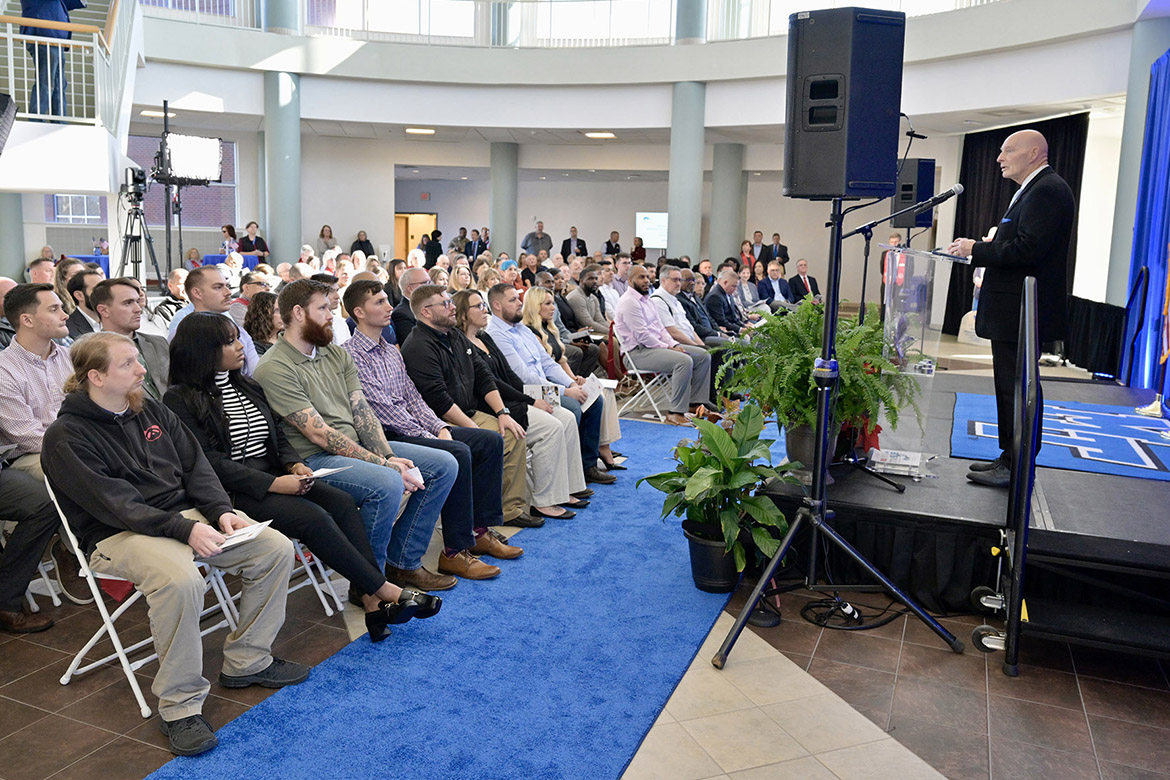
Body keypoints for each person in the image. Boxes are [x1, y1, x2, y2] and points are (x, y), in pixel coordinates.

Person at [43, 332, 309, 757]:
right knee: (182, 580)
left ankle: (248, 660)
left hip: (182, 517)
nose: (142, 369)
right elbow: (117, 505)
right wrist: (186, 530)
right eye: (128, 364)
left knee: (273, 547)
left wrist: (221, 511)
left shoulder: (148, 408)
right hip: (117, 534)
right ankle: (179, 707)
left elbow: (196, 467)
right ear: (95, 376)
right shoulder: (65, 436)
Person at [166, 314, 440, 642]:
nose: (241, 346)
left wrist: (294, 464)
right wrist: (273, 483)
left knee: (340, 503)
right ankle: (385, 591)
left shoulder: (247, 385)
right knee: (314, 518)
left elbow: (277, 437)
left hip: (274, 474)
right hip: (231, 490)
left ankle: (372, 602)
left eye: (238, 338)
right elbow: (207, 462)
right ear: (202, 349)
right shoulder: (179, 399)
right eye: (230, 341)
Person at [255, 280, 460, 590]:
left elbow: (363, 414)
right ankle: (370, 584)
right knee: (387, 482)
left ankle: (402, 562)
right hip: (315, 460)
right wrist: (385, 465)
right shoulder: (274, 366)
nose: (332, 314)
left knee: (444, 464)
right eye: (322, 308)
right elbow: (321, 436)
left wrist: (388, 456)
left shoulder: (335, 354)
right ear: (298, 313)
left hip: (356, 447)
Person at [343, 280, 527, 555]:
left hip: (413, 427)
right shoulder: (351, 353)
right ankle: (456, 549)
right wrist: (430, 434)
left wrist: (438, 426)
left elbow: (413, 398)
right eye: (379, 302)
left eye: (386, 300)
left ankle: (480, 530)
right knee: (459, 451)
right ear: (359, 312)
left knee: (488, 441)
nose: (389, 306)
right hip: (386, 436)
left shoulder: (390, 351)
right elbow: (381, 409)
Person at [947, 129, 1075, 488]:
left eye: (1008, 151)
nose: (1000, 158)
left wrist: (977, 248)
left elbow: (1027, 250)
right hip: (1012, 311)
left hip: (1022, 310)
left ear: (1034, 153)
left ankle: (1017, 463)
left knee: (1018, 386)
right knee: (1009, 385)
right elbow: (1021, 242)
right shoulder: (1035, 189)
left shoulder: (1047, 190)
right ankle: (1010, 455)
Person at [399, 284, 541, 526]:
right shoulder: (418, 346)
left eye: (450, 302)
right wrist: (473, 429)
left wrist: (503, 412)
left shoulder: (454, 335)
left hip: (468, 411)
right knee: (489, 440)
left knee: (513, 432)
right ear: (425, 312)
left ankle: (509, 509)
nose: (452, 306)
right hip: (441, 421)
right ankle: (480, 521)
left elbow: (484, 376)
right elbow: (438, 400)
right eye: (445, 304)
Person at [455, 289, 591, 520]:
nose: (484, 309)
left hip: (514, 397)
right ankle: (544, 500)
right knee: (551, 426)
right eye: (478, 306)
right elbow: (490, 383)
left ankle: (566, 488)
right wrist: (529, 400)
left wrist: (532, 397)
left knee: (566, 418)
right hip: (493, 405)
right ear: (463, 314)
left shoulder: (484, 337)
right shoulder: (463, 343)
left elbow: (508, 374)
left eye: (482, 305)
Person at [485, 284, 614, 486]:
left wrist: (571, 383)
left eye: (518, 299)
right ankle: (568, 472)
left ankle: (586, 465)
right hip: (526, 391)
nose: (520, 303)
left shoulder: (521, 329)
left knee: (593, 399)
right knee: (572, 407)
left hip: (542, 385)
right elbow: (524, 377)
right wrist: (564, 391)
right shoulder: (496, 333)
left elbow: (548, 363)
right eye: (513, 300)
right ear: (497, 305)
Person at [522, 288, 623, 470]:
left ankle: (591, 459)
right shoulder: (530, 333)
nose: (553, 308)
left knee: (599, 394)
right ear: (534, 306)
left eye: (553, 303)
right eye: (547, 303)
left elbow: (560, 361)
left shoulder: (548, 329)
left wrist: (573, 380)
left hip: (556, 382)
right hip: (540, 387)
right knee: (579, 403)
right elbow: (541, 373)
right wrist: (568, 388)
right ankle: (577, 463)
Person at [615, 266, 714, 427]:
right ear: (630, 280)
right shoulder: (629, 302)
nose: (647, 280)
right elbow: (643, 336)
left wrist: (673, 344)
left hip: (654, 348)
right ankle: (675, 413)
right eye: (641, 277)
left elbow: (661, 329)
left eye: (647, 276)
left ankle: (694, 404)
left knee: (703, 356)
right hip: (637, 353)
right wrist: (668, 348)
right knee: (683, 361)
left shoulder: (647, 300)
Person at [0, 283, 71, 479]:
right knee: (82, 468)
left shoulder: (72, 357)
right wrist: (85, 445)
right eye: (54, 309)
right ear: (27, 320)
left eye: (62, 308)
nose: (65, 315)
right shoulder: (4, 371)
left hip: (80, 445)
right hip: (33, 455)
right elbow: (27, 437)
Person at [168, 267, 261, 376]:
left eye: (227, 286)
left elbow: (256, 375)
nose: (228, 292)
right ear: (197, 293)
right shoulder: (182, 334)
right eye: (218, 287)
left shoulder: (240, 333)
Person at [91, 278, 170, 401]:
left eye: (138, 302)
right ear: (104, 310)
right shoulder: (92, 353)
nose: (138, 309)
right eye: (128, 303)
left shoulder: (159, 343)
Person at [20, 0, 84, 118]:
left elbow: (66, 3)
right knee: (46, 81)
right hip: (44, 34)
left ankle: (59, 120)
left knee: (60, 84)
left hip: (55, 37)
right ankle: (37, 120)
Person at [567, 264, 611, 335]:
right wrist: (610, 332)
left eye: (596, 278)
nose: (594, 281)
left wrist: (614, 330)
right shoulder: (576, 297)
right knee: (613, 340)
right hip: (581, 332)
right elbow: (588, 323)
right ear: (581, 281)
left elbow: (600, 320)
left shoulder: (593, 297)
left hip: (591, 330)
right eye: (590, 279)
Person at [392, 267, 431, 344]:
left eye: (430, 282)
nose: (430, 287)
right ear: (410, 288)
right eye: (425, 283)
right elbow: (414, 344)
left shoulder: (429, 306)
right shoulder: (401, 314)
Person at [705, 268, 749, 335]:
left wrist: (745, 326)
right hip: (722, 330)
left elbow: (734, 318)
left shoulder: (728, 294)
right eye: (733, 286)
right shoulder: (715, 297)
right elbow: (721, 321)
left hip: (731, 327)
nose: (735, 289)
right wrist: (740, 329)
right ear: (725, 282)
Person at [64, 268, 103, 339]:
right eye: (97, 290)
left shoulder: (114, 321)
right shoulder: (67, 329)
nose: (104, 294)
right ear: (79, 296)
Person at [243, 290, 282, 356]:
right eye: (277, 310)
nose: (283, 315)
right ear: (263, 315)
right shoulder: (254, 346)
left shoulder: (286, 337)